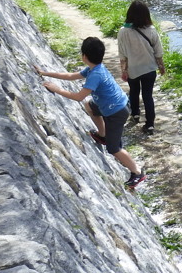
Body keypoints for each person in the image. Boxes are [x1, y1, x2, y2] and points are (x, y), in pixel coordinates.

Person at [36, 36, 145, 189]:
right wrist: (46, 73)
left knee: (114, 148)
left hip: (117, 112)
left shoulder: (95, 75)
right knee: (89, 105)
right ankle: (103, 134)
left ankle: (138, 172)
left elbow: (78, 97)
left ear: (84, 56)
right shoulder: (95, 68)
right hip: (114, 104)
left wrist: (56, 89)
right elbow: (71, 76)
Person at [117, 0, 165, 134]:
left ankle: (135, 114)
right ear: (146, 15)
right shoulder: (151, 30)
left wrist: (124, 70)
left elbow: (122, 54)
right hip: (149, 68)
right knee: (147, 95)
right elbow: (158, 51)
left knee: (134, 91)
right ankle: (150, 124)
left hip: (133, 69)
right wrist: (161, 66)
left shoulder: (123, 32)